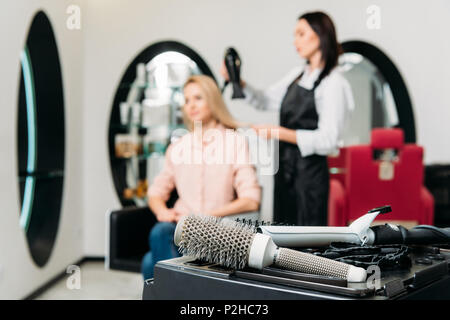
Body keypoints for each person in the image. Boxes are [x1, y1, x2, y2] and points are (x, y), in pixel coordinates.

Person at [221, 11, 354, 226]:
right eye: (294, 35)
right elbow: (264, 100)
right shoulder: (297, 75)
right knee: (282, 238)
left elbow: (329, 140)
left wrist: (278, 132)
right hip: (284, 171)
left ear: (320, 35)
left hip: (309, 180)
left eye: (301, 33)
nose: (295, 41)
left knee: (306, 244)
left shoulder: (334, 83)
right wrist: (238, 82)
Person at [141, 75, 261, 279]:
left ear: (212, 100)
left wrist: (208, 214)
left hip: (216, 229)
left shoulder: (235, 142)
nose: (191, 105)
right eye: (187, 100)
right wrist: (162, 211)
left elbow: (251, 200)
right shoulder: (178, 146)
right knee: (160, 233)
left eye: (198, 98)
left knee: (150, 262)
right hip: (180, 228)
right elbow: (155, 192)